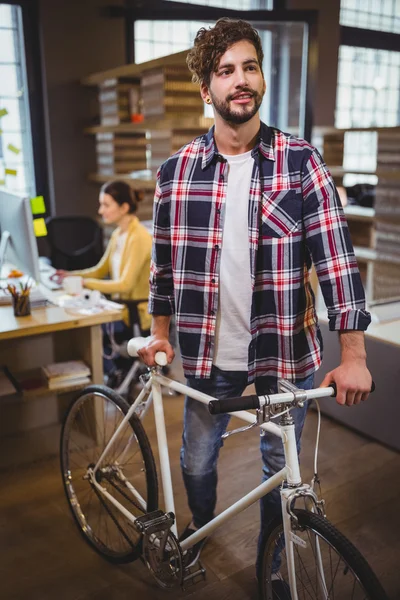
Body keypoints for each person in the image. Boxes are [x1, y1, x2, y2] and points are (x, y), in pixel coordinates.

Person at [138, 17, 373, 589]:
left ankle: (276, 564)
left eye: (249, 67)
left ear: (261, 78)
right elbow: (164, 267)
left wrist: (354, 353)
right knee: (196, 461)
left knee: (279, 472)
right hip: (203, 356)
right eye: (225, 71)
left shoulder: (302, 163)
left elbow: (337, 260)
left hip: (283, 356)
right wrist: (160, 332)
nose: (239, 80)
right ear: (207, 90)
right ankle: (197, 525)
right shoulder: (177, 173)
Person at [56, 180, 152, 379]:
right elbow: (100, 270)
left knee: (87, 327)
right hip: (121, 306)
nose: (101, 210)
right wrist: (71, 275)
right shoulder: (119, 234)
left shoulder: (139, 238)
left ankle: (114, 373)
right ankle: (113, 373)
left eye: (106, 205)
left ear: (124, 207)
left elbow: (125, 284)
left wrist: (83, 283)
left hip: (135, 312)